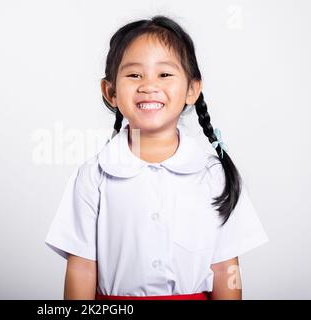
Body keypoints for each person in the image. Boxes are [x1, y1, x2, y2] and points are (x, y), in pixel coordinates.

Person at [45, 15, 269, 300]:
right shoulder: (93, 175)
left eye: (164, 74)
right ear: (110, 92)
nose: (149, 85)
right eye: (134, 74)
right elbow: (82, 268)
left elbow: (226, 270)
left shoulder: (214, 175)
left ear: (191, 89)